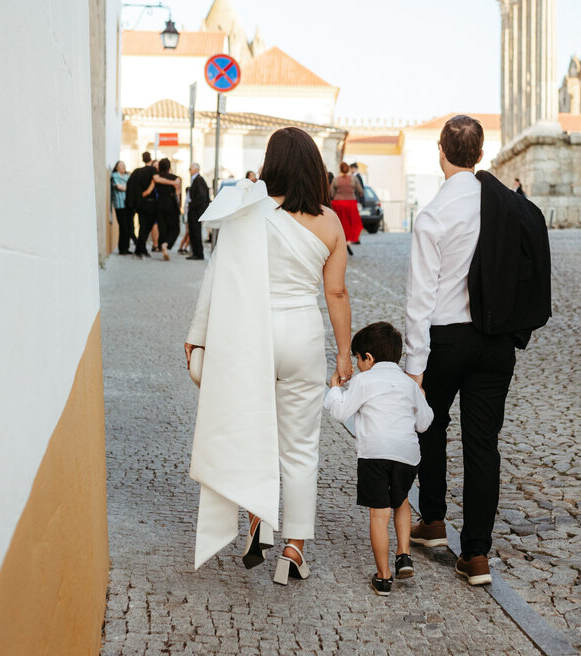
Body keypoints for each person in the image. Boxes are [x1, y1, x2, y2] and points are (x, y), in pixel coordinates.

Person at [185, 127, 352, 586]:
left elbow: (218, 276)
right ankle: (294, 549)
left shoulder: (247, 211)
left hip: (251, 335)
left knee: (253, 429)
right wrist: (343, 354)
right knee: (301, 446)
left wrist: (199, 335)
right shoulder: (329, 223)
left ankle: (260, 520)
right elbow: (335, 292)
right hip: (301, 334)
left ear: (272, 163)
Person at [404, 115, 510, 587]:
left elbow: (420, 297)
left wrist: (414, 364)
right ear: (480, 155)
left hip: (447, 336)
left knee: (430, 423)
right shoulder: (503, 207)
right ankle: (477, 555)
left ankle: (432, 519)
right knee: (482, 443)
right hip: (495, 340)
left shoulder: (433, 215)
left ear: (441, 153)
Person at [324, 322, 433, 597]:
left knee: (379, 513)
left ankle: (384, 577)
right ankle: (404, 553)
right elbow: (424, 423)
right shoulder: (409, 384)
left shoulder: (363, 381)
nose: (358, 365)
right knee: (402, 501)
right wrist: (422, 397)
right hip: (407, 455)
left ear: (368, 358)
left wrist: (335, 389)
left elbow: (340, 413)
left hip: (375, 454)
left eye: (358, 359)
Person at [148, 158, 182, 261]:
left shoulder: (157, 177)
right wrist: (179, 207)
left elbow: (150, 189)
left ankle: (162, 244)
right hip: (170, 204)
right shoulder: (175, 178)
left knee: (162, 227)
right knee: (175, 228)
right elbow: (178, 193)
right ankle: (166, 244)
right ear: (169, 167)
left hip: (159, 204)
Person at [125, 152, 158, 258]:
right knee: (146, 227)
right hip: (150, 203)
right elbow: (155, 181)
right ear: (151, 159)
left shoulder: (137, 172)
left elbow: (130, 186)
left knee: (142, 226)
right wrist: (147, 192)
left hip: (140, 204)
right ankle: (140, 249)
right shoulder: (153, 171)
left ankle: (141, 249)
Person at [331, 162, 363, 246]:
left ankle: (339, 238)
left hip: (338, 203)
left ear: (340, 169)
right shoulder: (354, 179)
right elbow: (360, 191)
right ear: (348, 169)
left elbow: (331, 193)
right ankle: (349, 240)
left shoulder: (336, 179)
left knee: (340, 221)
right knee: (352, 222)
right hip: (351, 203)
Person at [187, 163, 210, 260]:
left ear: (196, 169)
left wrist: (193, 204)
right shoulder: (195, 179)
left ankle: (198, 254)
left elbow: (202, 196)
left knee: (196, 232)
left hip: (196, 211)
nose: (189, 170)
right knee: (193, 231)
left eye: (190, 168)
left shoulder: (199, 180)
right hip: (194, 210)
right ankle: (195, 253)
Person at [111, 161, 131, 255]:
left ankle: (126, 248)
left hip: (127, 204)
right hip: (119, 205)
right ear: (117, 167)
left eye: (124, 165)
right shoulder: (114, 176)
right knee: (123, 226)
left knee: (128, 226)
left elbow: (130, 187)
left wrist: (125, 187)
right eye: (121, 165)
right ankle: (121, 249)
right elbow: (119, 187)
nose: (123, 167)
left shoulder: (127, 176)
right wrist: (126, 187)